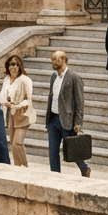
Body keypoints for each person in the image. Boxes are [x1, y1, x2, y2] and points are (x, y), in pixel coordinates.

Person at [46, 49, 90, 177]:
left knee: (72, 148)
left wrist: (78, 122)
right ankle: (55, 175)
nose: (54, 61)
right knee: (52, 150)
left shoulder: (74, 77)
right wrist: (48, 120)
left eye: (57, 59)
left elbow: (80, 102)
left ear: (65, 60)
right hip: (53, 119)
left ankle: (84, 168)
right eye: (53, 59)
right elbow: (51, 97)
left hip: (67, 119)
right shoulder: (53, 76)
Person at [0, 54, 36, 166]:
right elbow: (1, 96)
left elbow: (28, 99)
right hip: (9, 114)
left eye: (15, 64)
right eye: (10, 65)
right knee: (12, 143)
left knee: (17, 143)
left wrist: (17, 105)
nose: (12, 67)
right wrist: (5, 102)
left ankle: (25, 167)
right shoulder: (6, 79)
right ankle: (17, 167)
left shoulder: (25, 80)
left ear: (19, 66)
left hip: (23, 114)